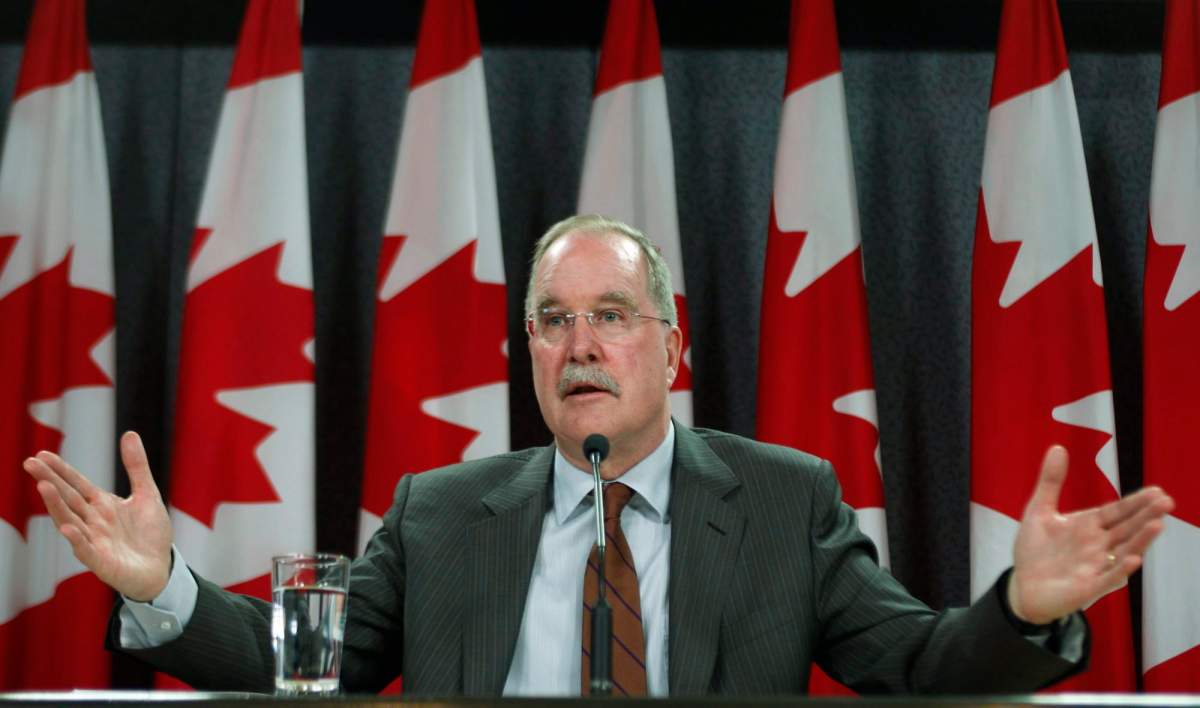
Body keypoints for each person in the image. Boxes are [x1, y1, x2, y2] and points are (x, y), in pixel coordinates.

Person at [25, 214, 1174, 697]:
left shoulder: (782, 501)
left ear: (671, 347)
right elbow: (304, 671)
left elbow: (923, 668)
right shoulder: (440, 510)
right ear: (527, 350)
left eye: (612, 315)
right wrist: (161, 590)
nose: (582, 346)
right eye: (553, 320)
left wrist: (1024, 607)